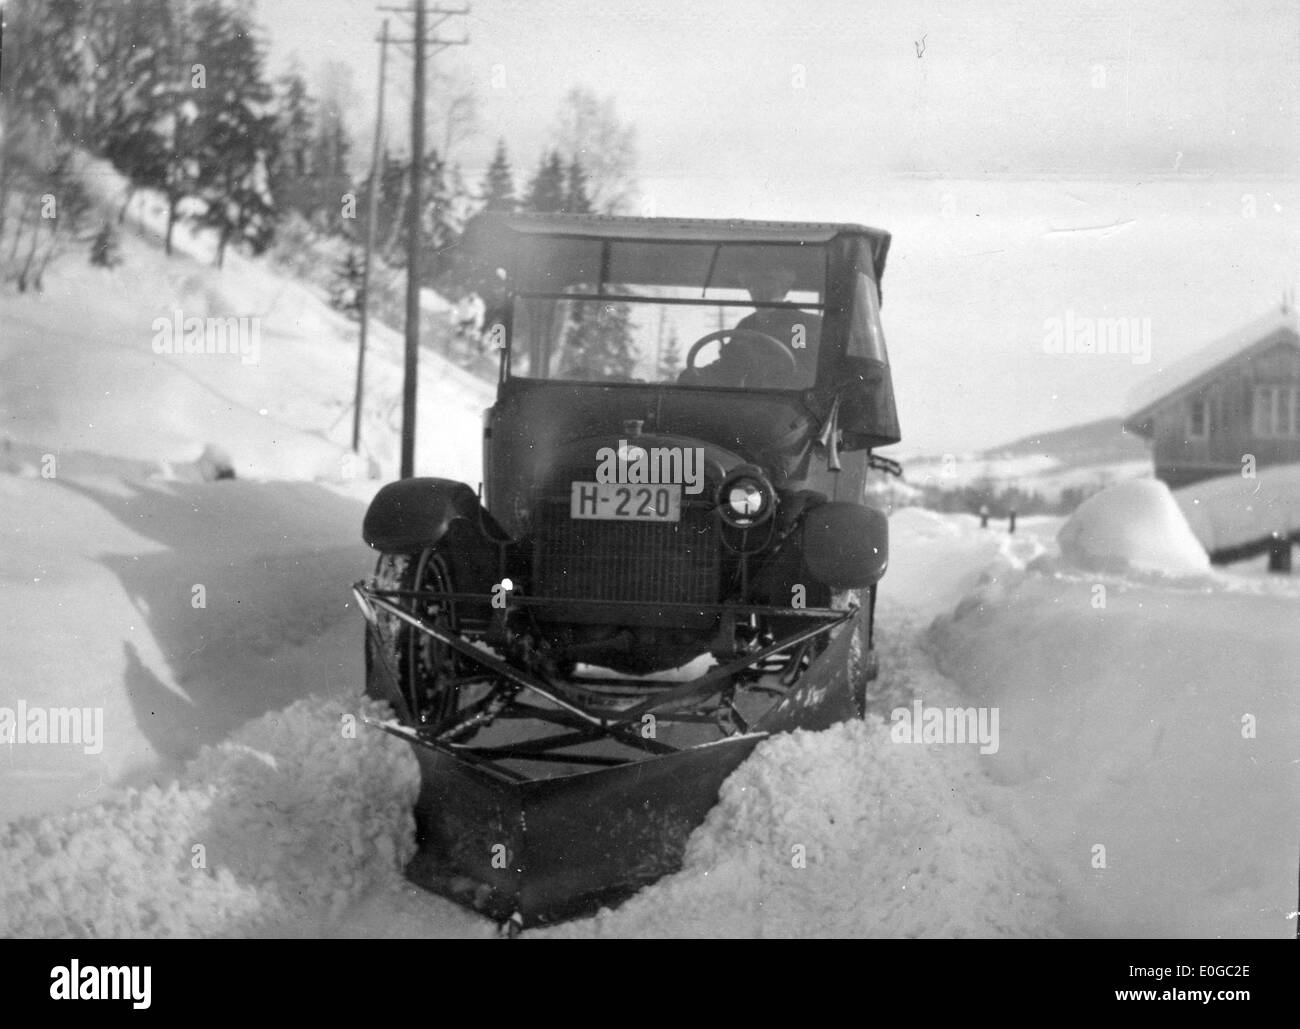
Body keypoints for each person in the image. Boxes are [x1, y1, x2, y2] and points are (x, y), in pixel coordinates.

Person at [681, 265, 821, 387]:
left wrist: (758, 359)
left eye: (769, 286)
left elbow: (801, 367)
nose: (761, 292)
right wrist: (699, 374)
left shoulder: (799, 325)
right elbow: (728, 365)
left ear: (783, 289)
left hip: (783, 400)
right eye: (754, 286)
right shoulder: (746, 324)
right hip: (749, 397)